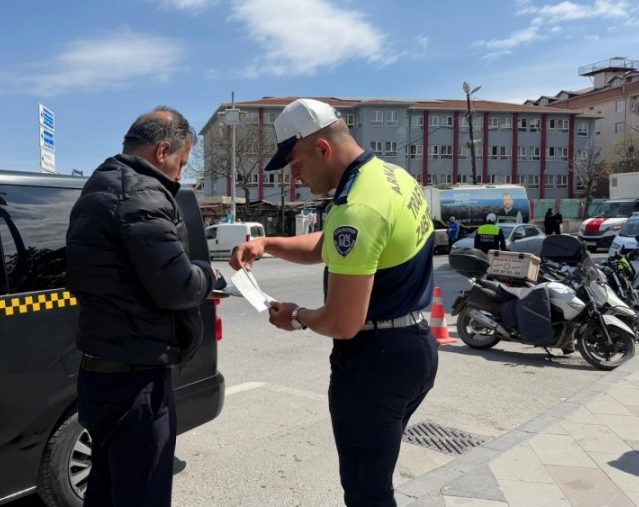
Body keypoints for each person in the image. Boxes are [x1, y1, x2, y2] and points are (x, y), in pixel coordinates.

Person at [231, 98, 439, 507]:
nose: (294, 177)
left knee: (367, 494)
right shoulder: (389, 177)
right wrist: (268, 243)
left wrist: (296, 316)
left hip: (375, 363)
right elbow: (330, 244)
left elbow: (343, 322)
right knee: (374, 479)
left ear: (323, 149)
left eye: (295, 165)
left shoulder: (356, 208)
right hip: (414, 347)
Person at [65, 106, 221, 507]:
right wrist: (209, 275)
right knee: (143, 494)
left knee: (105, 490)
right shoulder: (141, 193)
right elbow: (178, 286)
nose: (180, 175)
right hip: (136, 383)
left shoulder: (97, 186)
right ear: (162, 150)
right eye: (181, 164)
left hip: (98, 374)